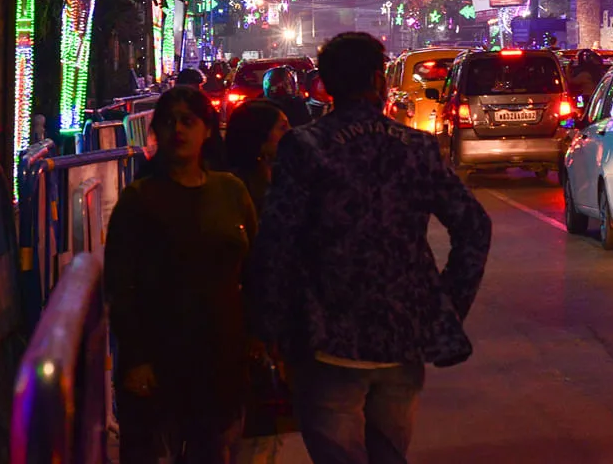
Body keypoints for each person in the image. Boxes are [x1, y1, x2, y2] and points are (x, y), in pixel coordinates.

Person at [250, 32, 491, 464]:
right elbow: (473, 225)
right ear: (380, 82)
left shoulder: (306, 147)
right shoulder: (416, 147)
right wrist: (446, 304)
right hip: (403, 335)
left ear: (324, 85)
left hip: (328, 339)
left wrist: (271, 326)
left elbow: (277, 242)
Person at [105, 86, 259, 463]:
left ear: (207, 129)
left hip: (220, 357)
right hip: (158, 361)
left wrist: (259, 334)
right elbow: (120, 285)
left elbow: (257, 267)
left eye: (188, 121)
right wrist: (137, 359)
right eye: (169, 121)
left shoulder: (230, 192)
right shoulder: (138, 200)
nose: (178, 130)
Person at [222, 100, 289, 211]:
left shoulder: (284, 177)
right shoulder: (234, 190)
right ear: (259, 136)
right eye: (283, 128)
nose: (291, 133)